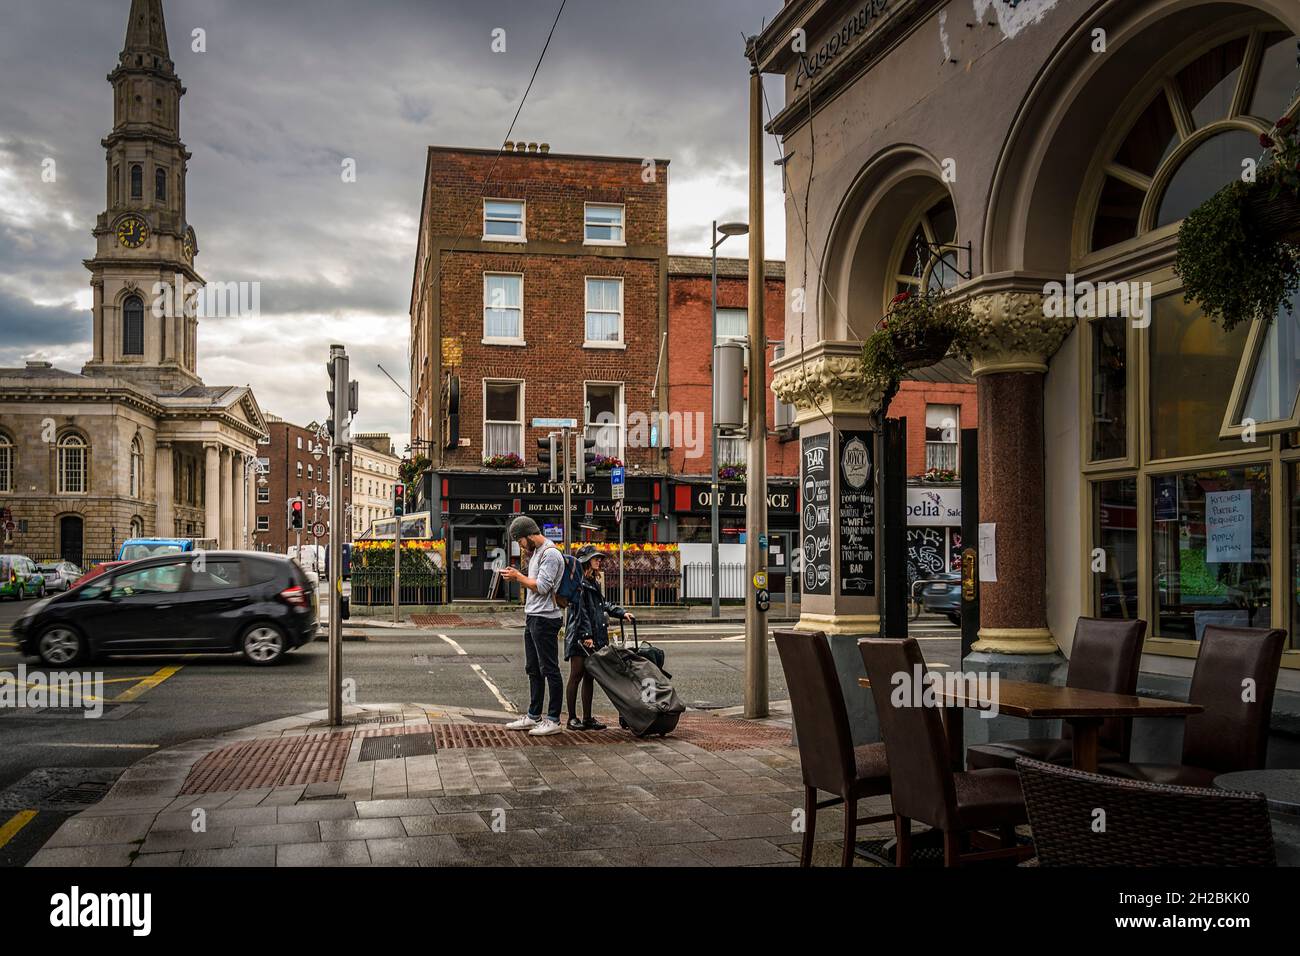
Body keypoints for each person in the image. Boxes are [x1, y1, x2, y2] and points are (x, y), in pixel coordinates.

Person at [499, 516, 565, 736]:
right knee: (533, 669)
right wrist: (519, 576)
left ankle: (554, 719)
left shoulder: (551, 554)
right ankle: (534, 715)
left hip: (546, 618)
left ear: (529, 535)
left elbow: (543, 587)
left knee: (550, 669)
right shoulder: (537, 553)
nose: (520, 546)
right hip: (534, 616)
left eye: (520, 541)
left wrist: (518, 577)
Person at [563, 545, 632, 730]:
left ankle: (587, 718)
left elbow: (602, 604)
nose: (599, 560)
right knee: (576, 675)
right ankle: (571, 718)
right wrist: (586, 635)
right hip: (580, 637)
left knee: (589, 676)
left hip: (592, 636)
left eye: (599, 558)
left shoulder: (593, 581)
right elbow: (580, 611)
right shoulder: (578, 582)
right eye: (595, 558)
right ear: (585, 561)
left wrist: (621, 612)